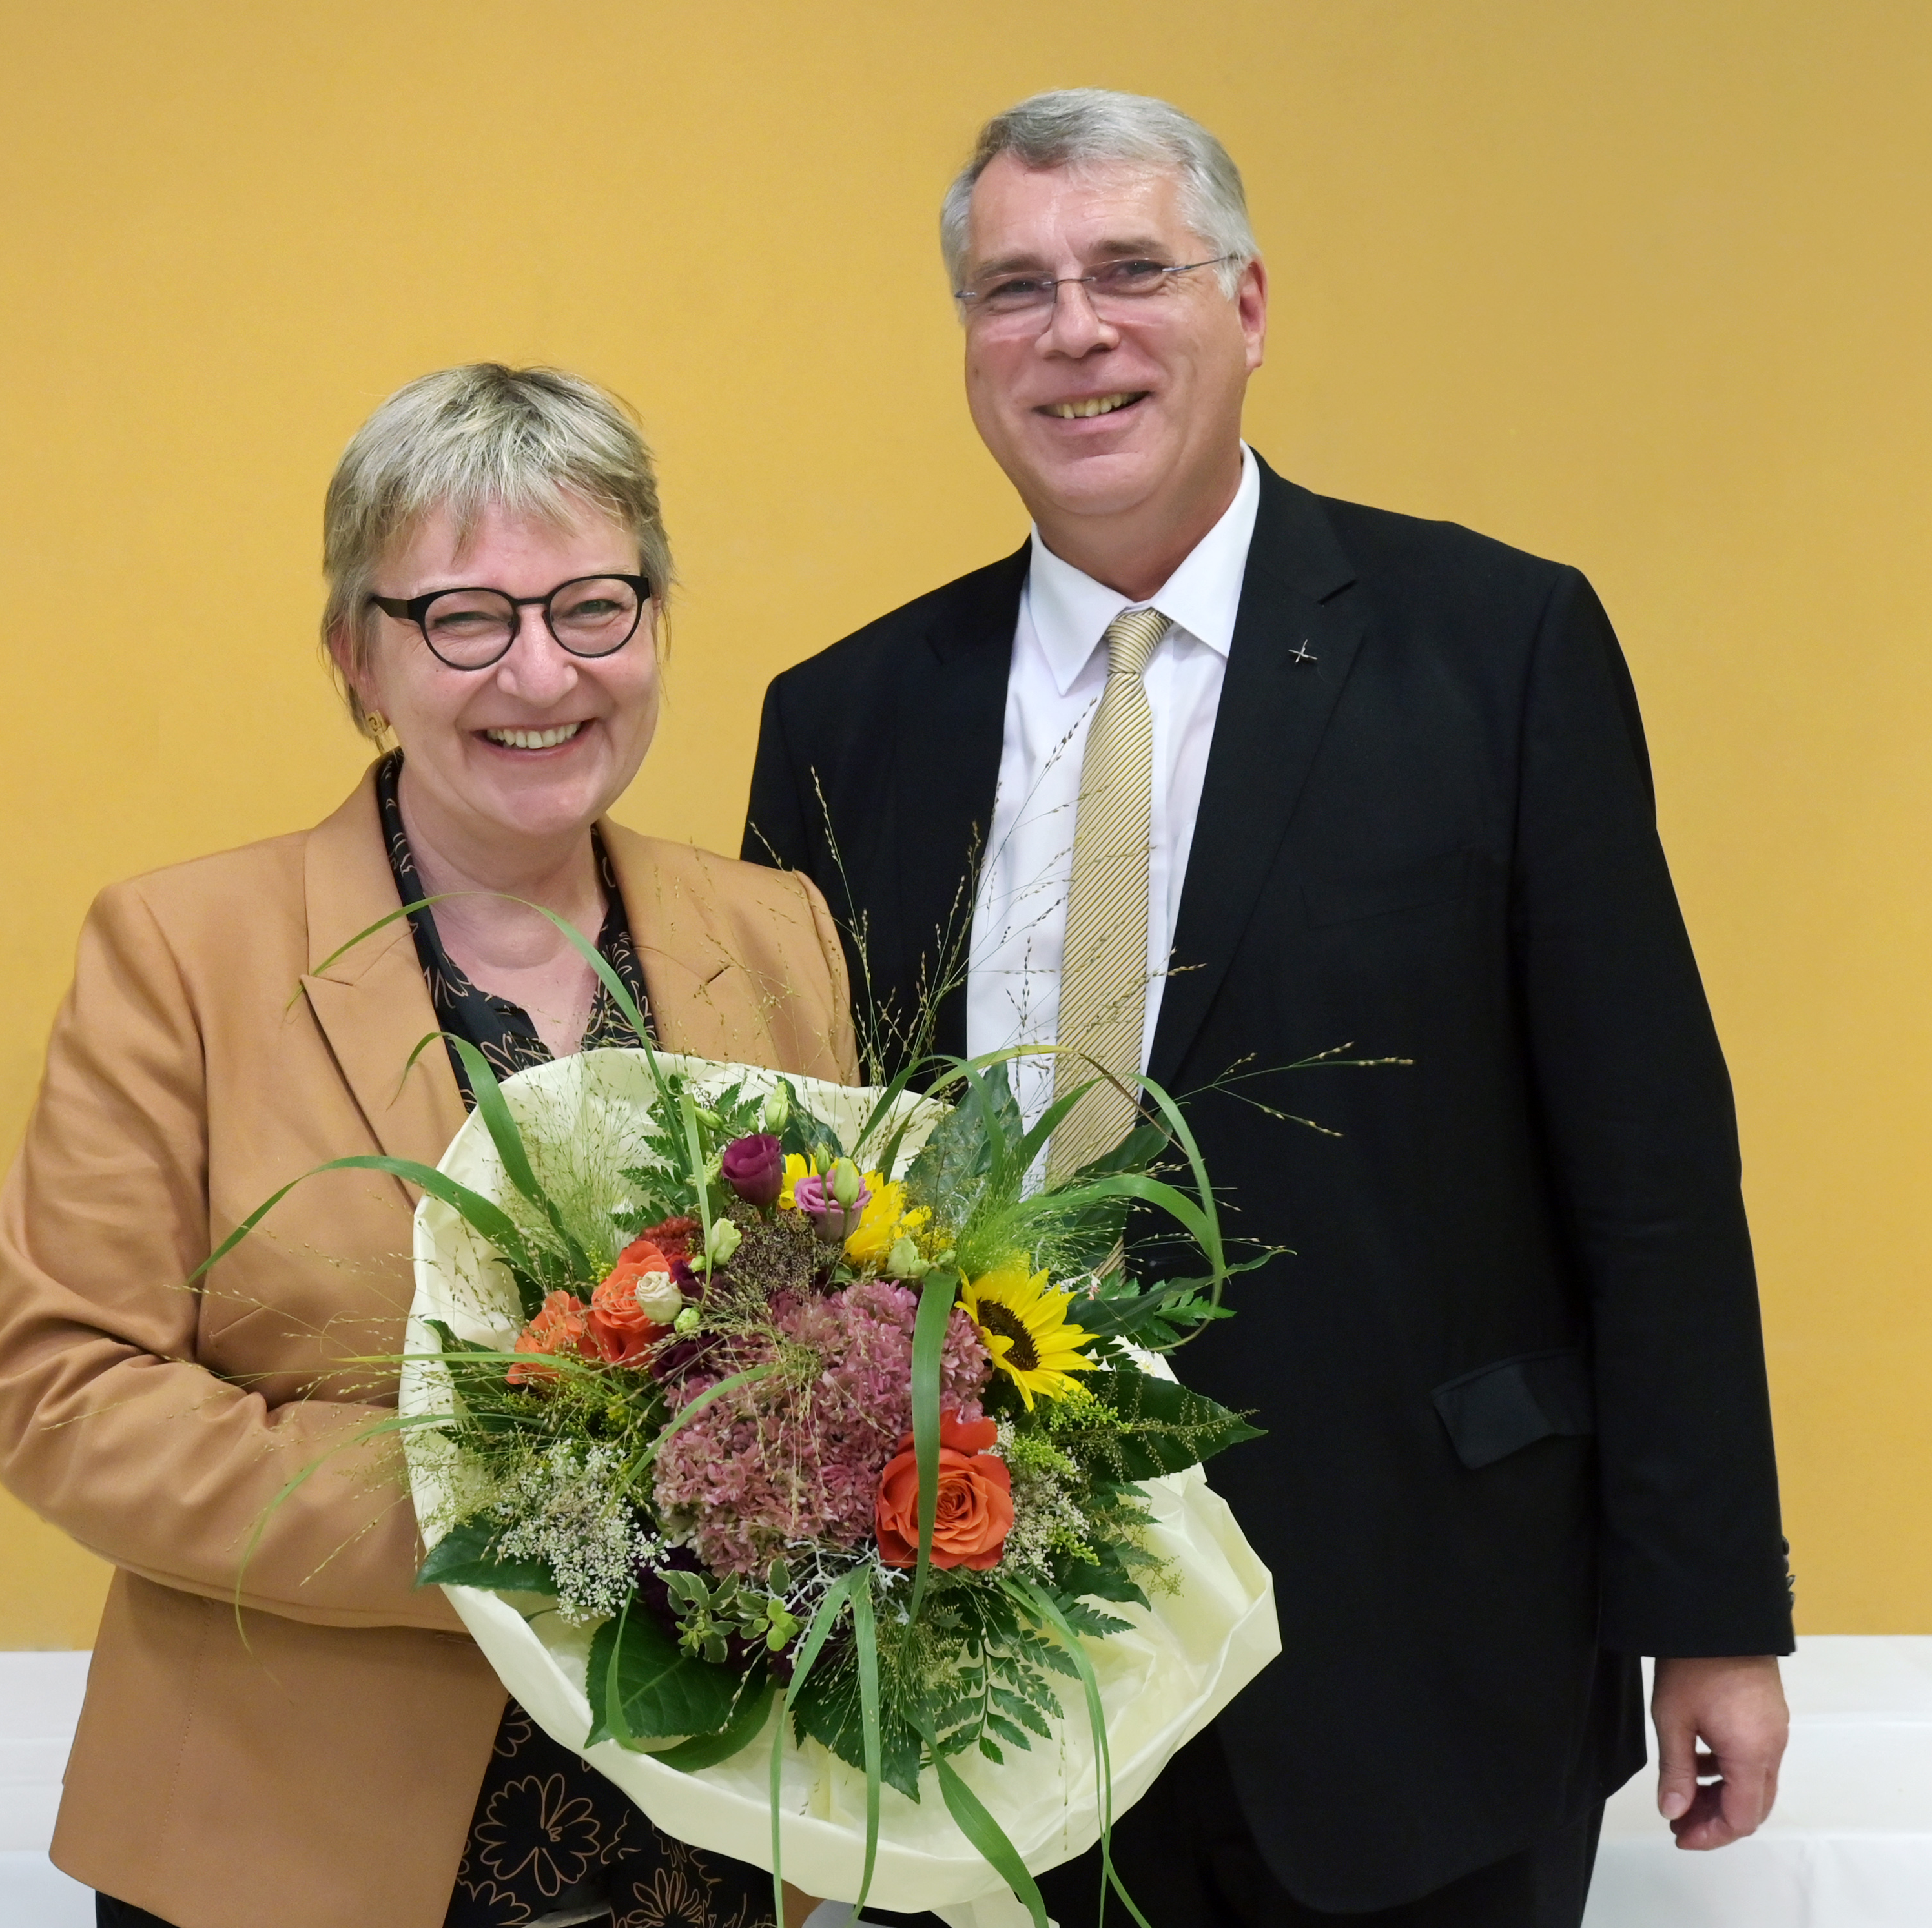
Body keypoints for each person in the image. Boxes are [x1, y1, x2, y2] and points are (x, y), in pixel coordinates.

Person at [741, 93, 1794, 1928]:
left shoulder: (1497, 647)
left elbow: (1649, 1162)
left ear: (1245, 304)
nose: (1073, 330)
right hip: (990, 1686)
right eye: (1012, 289)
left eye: (1128, 271)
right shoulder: (843, 719)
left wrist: (1704, 1609)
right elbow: (800, 1213)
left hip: (1423, 1666)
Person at [0, 365, 857, 1928]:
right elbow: (63, 1396)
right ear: (355, 657)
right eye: (465, 618)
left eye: (595, 605)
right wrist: (505, 1514)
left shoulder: (771, 928)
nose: (541, 671)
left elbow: (859, 1320)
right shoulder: (181, 949)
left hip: (708, 1853)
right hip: (294, 1856)